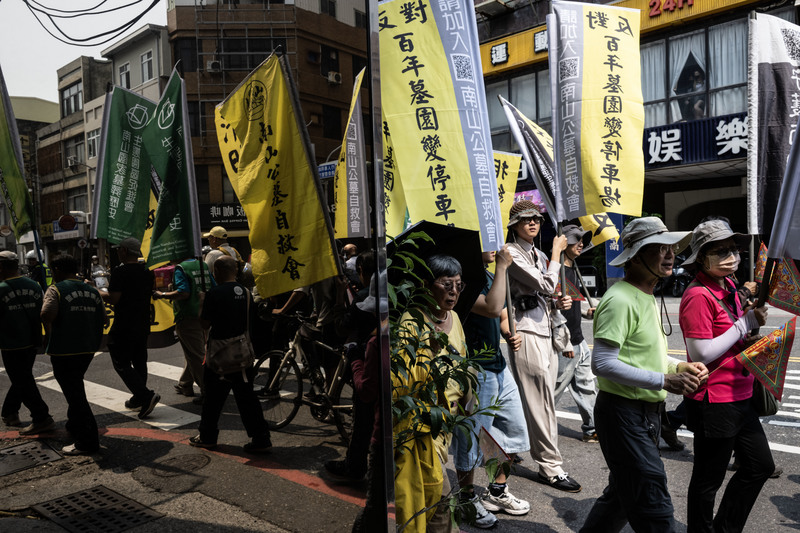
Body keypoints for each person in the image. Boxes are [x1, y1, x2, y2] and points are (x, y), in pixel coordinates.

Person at [580, 217, 709, 533]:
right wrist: (666, 381)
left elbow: (645, 355)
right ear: (635, 256)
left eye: (671, 248)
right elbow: (603, 364)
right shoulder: (620, 300)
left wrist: (678, 367)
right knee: (653, 507)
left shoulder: (645, 295)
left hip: (645, 415)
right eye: (658, 249)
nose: (669, 255)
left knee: (622, 497)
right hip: (624, 414)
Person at [678, 219, 774, 532]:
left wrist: (750, 335)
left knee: (760, 467)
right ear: (701, 258)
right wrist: (745, 325)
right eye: (720, 251)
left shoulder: (729, 285)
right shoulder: (698, 296)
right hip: (714, 400)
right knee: (708, 480)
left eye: (733, 249)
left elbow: (732, 337)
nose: (731, 256)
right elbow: (701, 352)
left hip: (741, 394)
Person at [505, 200, 581, 493]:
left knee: (542, 400)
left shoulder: (537, 253)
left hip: (545, 330)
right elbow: (546, 283)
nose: (533, 223)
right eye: (525, 220)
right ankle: (551, 467)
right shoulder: (512, 253)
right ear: (514, 226)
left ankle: (513, 447)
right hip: (524, 330)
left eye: (536, 218)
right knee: (541, 403)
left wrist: (558, 302)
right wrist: (557, 253)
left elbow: (549, 292)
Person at [453, 246, 530, 528]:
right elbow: (491, 307)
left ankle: (497, 491)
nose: (494, 247)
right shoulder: (460, 281)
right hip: (474, 369)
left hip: (498, 366)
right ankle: (465, 499)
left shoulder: (489, 275)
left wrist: (509, 333)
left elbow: (502, 315)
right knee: (471, 437)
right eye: (485, 242)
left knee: (507, 430)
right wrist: (502, 267)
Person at [394, 254, 469, 533]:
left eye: (459, 285)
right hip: (421, 425)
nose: (453, 291)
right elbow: (402, 383)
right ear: (426, 285)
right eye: (446, 283)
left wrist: (466, 398)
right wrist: (429, 361)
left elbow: (463, 362)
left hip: (446, 422)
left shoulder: (456, 318)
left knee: (433, 496)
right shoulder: (412, 321)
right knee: (436, 498)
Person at [188, 256, 271, 452]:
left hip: (219, 356)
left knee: (213, 400)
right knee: (247, 398)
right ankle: (261, 438)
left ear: (216, 272)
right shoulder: (247, 293)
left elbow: (205, 324)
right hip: (243, 355)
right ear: (235, 271)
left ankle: (207, 436)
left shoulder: (213, 294)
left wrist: (201, 303)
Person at [41, 254, 107, 455]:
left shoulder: (56, 289)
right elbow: (103, 319)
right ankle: (74, 424)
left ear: (58, 270)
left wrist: (49, 331)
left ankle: (87, 441)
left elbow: (46, 314)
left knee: (75, 394)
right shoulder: (92, 290)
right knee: (75, 385)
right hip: (87, 348)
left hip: (64, 349)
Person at [100, 237, 159, 419]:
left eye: (119, 250)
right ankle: (138, 398)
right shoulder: (147, 270)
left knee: (121, 362)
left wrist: (97, 290)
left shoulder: (121, 272)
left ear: (124, 251)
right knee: (139, 360)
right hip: (142, 322)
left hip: (124, 323)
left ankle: (145, 395)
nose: (117, 252)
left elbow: (114, 298)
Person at [553, 224, 599, 443]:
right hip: (564, 343)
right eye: (576, 239)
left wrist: (587, 312)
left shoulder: (573, 268)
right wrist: (564, 342)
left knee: (587, 386)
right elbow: (552, 307)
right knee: (554, 391)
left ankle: (591, 429)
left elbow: (574, 300)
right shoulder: (555, 269)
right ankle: (533, 431)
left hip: (579, 340)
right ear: (564, 242)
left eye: (583, 240)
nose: (581, 243)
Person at [0, 250, 54, 435]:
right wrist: (47, 334)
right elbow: (44, 311)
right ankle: (9, 412)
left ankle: (41, 416)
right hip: (32, 339)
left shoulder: (2, 288)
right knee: (22, 378)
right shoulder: (33, 285)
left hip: (11, 342)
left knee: (21, 379)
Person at [153, 256, 214, 405]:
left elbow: (183, 293)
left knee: (197, 355)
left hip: (187, 317)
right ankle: (185, 384)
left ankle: (208, 391)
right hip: (204, 315)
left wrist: (163, 294)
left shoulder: (181, 269)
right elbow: (213, 285)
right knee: (193, 351)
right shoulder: (203, 265)